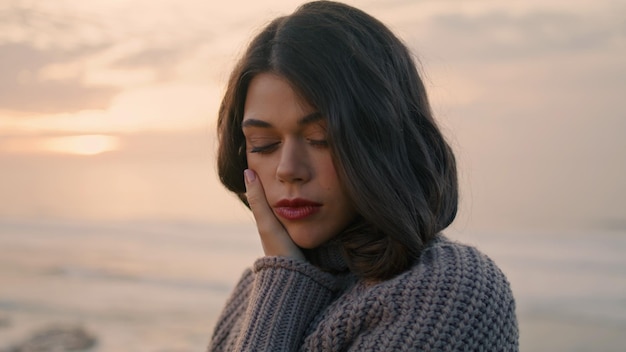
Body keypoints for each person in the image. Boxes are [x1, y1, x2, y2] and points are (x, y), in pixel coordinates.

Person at [208, 1, 519, 351]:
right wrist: (283, 278)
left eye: (320, 139)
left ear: (382, 139)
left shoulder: (449, 291)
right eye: (263, 144)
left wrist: (284, 287)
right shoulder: (251, 292)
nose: (288, 169)